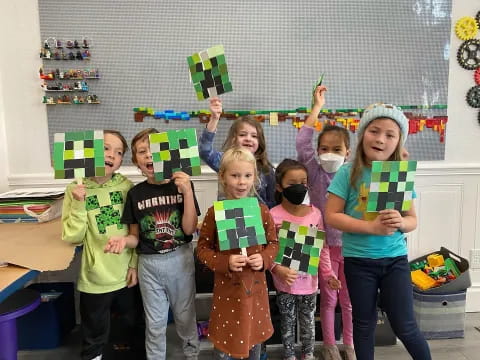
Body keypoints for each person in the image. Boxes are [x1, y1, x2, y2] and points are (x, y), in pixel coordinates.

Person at [325, 103, 432, 360]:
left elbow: (412, 220)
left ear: (398, 142)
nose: (381, 139)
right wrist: (370, 227)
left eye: (390, 135)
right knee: (364, 325)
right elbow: (331, 216)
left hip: (395, 260)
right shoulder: (348, 172)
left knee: (406, 326)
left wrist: (400, 222)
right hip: (359, 262)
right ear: (363, 134)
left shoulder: (397, 175)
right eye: (374, 131)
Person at [105, 128, 200, 360]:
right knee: (155, 323)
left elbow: (189, 229)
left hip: (181, 259)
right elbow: (135, 236)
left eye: (154, 150)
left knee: (185, 317)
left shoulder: (182, 185)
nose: (149, 155)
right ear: (136, 161)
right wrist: (124, 241)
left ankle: (192, 355)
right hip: (150, 265)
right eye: (142, 151)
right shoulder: (135, 193)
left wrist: (187, 192)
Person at [196, 147, 279, 360]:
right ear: (223, 177)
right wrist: (225, 261)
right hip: (227, 295)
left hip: (255, 294)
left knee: (254, 345)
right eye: (235, 175)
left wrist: (263, 258)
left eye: (247, 176)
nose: (241, 182)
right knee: (224, 348)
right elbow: (203, 249)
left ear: (255, 178)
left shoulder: (261, 211)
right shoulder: (215, 213)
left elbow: (273, 244)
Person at [62, 130, 137, 360]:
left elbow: (135, 231)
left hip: (126, 275)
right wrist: (78, 203)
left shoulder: (127, 188)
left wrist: (134, 264)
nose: (111, 155)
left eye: (118, 152)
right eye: (105, 148)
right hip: (95, 278)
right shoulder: (75, 189)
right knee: (94, 335)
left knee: (130, 330)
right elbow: (72, 236)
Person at [296, 85, 355, 360]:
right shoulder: (315, 171)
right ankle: (330, 344)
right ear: (318, 151)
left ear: (348, 152)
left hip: (352, 245)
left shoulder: (353, 174)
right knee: (328, 298)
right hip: (322, 247)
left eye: (337, 149)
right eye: (324, 148)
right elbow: (302, 143)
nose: (330, 153)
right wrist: (316, 107)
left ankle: (350, 345)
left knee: (350, 301)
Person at [269, 159, 324, 360]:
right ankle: (289, 355)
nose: (299, 188)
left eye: (303, 182)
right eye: (292, 184)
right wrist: (276, 268)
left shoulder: (315, 213)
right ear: (279, 186)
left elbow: (323, 248)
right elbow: (268, 248)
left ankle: (308, 353)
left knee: (309, 319)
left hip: (310, 282)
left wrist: (328, 274)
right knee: (287, 320)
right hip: (284, 282)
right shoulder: (272, 215)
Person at [199, 96, 276, 208]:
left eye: (254, 136)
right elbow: (204, 150)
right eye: (242, 135)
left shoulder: (266, 169)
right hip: (228, 218)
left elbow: (271, 202)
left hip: (255, 220)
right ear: (234, 138)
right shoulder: (225, 160)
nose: (248, 139)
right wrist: (214, 118)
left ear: (260, 141)